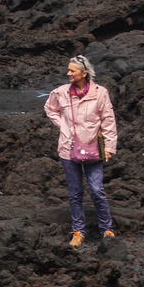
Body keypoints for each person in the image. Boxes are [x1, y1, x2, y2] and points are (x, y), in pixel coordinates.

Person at [44, 54, 117, 248]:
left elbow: (108, 121)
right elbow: (50, 108)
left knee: (96, 190)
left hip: (93, 148)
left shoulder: (100, 93)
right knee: (75, 193)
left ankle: (107, 229)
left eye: (72, 71)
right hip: (68, 150)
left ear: (84, 73)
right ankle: (78, 232)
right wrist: (63, 125)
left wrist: (109, 147)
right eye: (68, 70)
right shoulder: (60, 92)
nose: (68, 73)